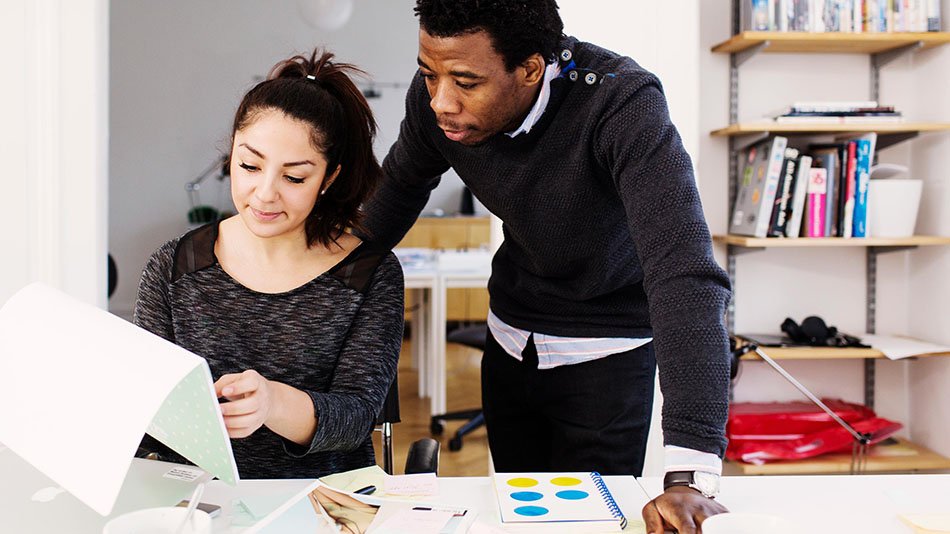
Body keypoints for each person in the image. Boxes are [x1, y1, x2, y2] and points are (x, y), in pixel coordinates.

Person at [357, 1, 731, 531]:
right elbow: (396, 190)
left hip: (605, 349)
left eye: (465, 81)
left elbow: (683, 274)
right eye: (428, 73)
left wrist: (689, 475)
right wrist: (319, 277)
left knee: (590, 523)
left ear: (531, 68)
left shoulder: (621, 105)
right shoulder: (437, 102)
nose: (440, 100)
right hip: (510, 338)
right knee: (519, 513)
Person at [133, 49, 404, 479]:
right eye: (249, 165)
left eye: (294, 177)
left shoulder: (368, 274)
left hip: (321, 503)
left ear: (329, 178)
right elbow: (146, 419)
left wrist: (272, 403)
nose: (263, 194)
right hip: (198, 506)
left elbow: (356, 418)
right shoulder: (174, 266)